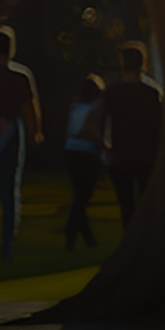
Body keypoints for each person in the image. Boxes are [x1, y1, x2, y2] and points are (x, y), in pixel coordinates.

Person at [0, 26, 43, 263]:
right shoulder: (20, 75)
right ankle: (6, 248)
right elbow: (29, 107)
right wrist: (36, 132)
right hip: (9, 136)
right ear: (11, 48)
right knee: (8, 194)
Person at [85, 40, 163, 234]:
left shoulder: (113, 92)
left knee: (126, 206)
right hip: (148, 156)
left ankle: (131, 239)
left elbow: (96, 122)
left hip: (120, 157)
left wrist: (104, 147)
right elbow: (161, 126)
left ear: (122, 63)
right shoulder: (151, 93)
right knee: (147, 204)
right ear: (143, 63)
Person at [63, 74, 106, 251]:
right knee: (83, 197)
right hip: (87, 152)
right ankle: (72, 234)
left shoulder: (75, 106)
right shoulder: (98, 108)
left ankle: (88, 239)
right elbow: (92, 130)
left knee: (79, 195)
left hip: (70, 150)